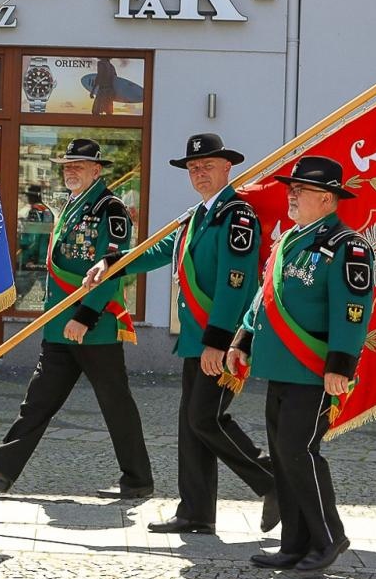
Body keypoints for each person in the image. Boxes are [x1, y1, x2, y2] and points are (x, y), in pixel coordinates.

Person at [84, 134, 277, 535]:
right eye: (193, 168)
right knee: (191, 425)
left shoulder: (236, 217)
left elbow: (235, 283)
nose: (199, 173)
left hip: (221, 340)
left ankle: (272, 481)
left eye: (207, 166)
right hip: (196, 337)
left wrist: (218, 341)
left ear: (227, 168)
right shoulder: (197, 217)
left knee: (206, 418)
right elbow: (158, 251)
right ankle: (196, 511)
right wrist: (112, 263)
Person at [0, 138, 153, 498]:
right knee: (38, 400)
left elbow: (114, 270)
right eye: (67, 165)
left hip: (93, 329)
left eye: (78, 165)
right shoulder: (72, 206)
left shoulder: (110, 209)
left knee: (115, 403)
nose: (70, 171)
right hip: (61, 325)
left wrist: (85, 317)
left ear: (97, 170)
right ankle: (0, 467)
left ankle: (138, 480)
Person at [226, 155, 374, 577]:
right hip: (281, 368)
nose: (291, 195)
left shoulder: (348, 247)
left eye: (301, 190)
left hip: (313, 370)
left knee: (300, 452)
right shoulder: (291, 241)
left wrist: (340, 365)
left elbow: (352, 310)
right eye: (291, 189)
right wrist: (243, 340)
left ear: (327, 199)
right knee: (283, 453)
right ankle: (293, 543)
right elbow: (264, 299)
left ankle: (329, 537)